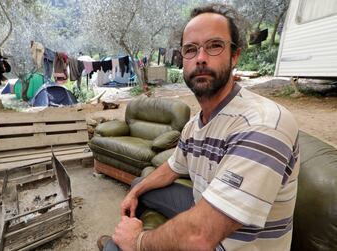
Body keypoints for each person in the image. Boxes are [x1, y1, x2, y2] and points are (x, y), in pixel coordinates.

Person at [97, 3, 300, 251]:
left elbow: (201, 236)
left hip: (229, 242)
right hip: (203, 205)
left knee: (115, 248)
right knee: (139, 184)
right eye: (190, 50)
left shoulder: (263, 123)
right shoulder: (195, 125)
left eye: (214, 46)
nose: (201, 58)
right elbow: (172, 168)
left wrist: (137, 241)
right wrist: (135, 192)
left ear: (234, 55)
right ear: (183, 60)